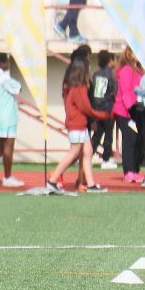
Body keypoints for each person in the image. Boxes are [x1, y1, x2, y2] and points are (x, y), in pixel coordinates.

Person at [47, 59, 109, 192]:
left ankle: (90, 184)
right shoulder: (79, 88)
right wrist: (100, 115)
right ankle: (53, 179)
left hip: (78, 124)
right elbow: (85, 107)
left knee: (88, 151)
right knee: (74, 152)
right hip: (77, 125)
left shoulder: (70, 87)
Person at [0, 53, 24, 187]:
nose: (8, 64)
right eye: (7, 62)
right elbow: (17, 88)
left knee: (1, 147)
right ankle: (7, 177)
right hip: (7, 115)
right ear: (1, 63)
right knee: (8, 145)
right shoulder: (2, 77)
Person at [114, 46, 145, 183]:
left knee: (137, 140)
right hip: (125, 111)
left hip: (134, 110)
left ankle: (134, 170)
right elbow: (126, 92)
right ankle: (128, 172)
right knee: (130, 140)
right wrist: (131, 110)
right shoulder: (127, 70)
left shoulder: (138, 70)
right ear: (129, 53)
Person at [90, 50, 118, 169]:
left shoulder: (96, 74)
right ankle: (105, 160)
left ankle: (87, 156)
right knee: (108, 134)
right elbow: (115, 92)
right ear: (110, 60)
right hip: (108, 107)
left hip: (96, 108)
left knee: (96, 134)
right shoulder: (112, 74)